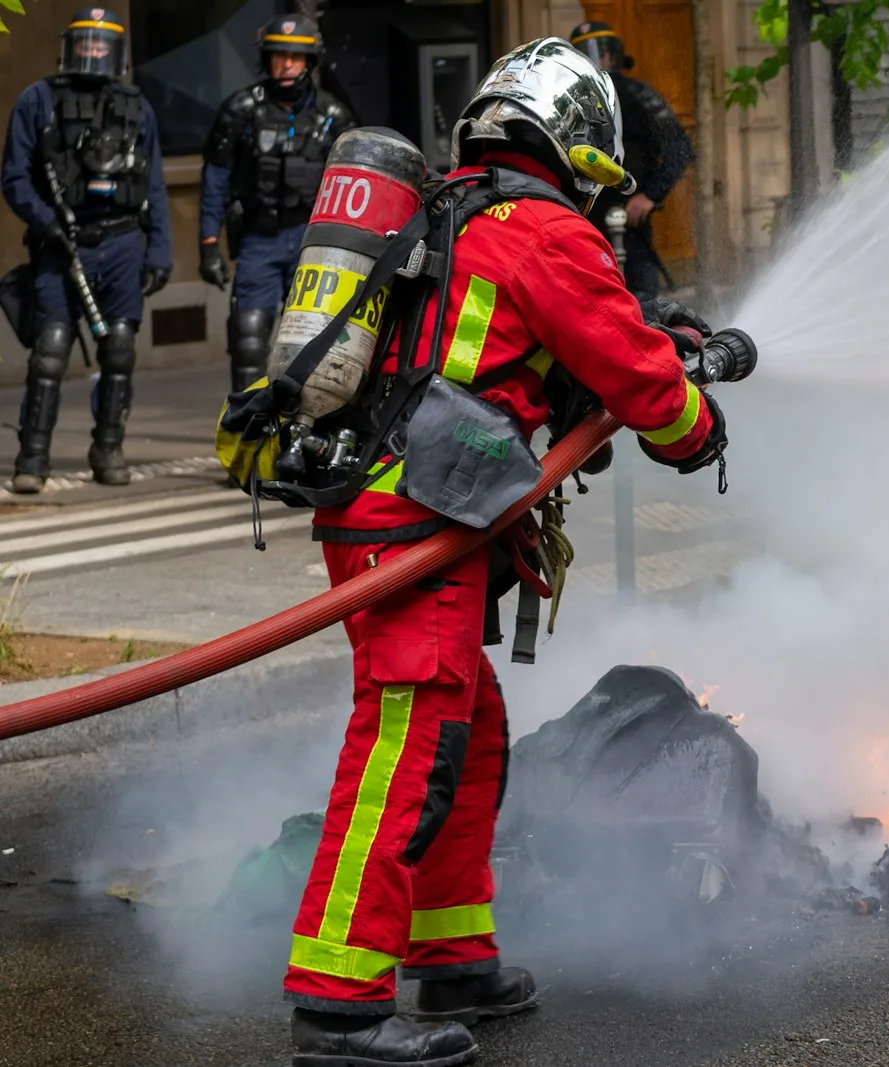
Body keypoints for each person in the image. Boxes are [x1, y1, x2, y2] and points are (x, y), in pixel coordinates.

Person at [280, 38, 727, 1067]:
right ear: (572, 142)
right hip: (412, 526)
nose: (598, 189)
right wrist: (695, 426)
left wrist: (664, 339)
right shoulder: (542, 230)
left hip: (399, 515)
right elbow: (641, 385)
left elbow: (558, 341)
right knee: (405, 744)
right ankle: (338, 1001)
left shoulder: (459, 209)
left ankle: (452, 953)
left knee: (466, 733)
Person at [1, 7, 172, 492]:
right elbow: (14, 176)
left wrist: (159, 250)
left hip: (121, 243)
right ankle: (32, 459)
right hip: (61, 242)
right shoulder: (38, 100)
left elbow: (154, 184)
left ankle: (108, 449)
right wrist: (44, 221)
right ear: (69, 47)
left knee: (119, 350)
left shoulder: (138, 107)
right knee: (50, 352)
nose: (93, 52)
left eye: (102, 45)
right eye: (85, 43)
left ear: (115, 53)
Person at [199, 15, 355, 392]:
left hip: (313, 242)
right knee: (249, 337)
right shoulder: (241, 110)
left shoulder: (334, 117)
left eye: (295, 57)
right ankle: (246, 429)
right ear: (266, 60)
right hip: (259, 237)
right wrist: (207, 244)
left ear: (309, 62)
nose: (286, 65)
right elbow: (215, 176)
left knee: (316, 342)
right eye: (278, 56)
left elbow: (354, 183)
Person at [567, 21, 692, 299]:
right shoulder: (569, 101)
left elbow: (679, 148)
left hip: (629, 219)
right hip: (580, 219)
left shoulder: (637, 94)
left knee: (643, 299)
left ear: (612, 56)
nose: (594, 61)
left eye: (598, 52)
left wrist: (650, 195)